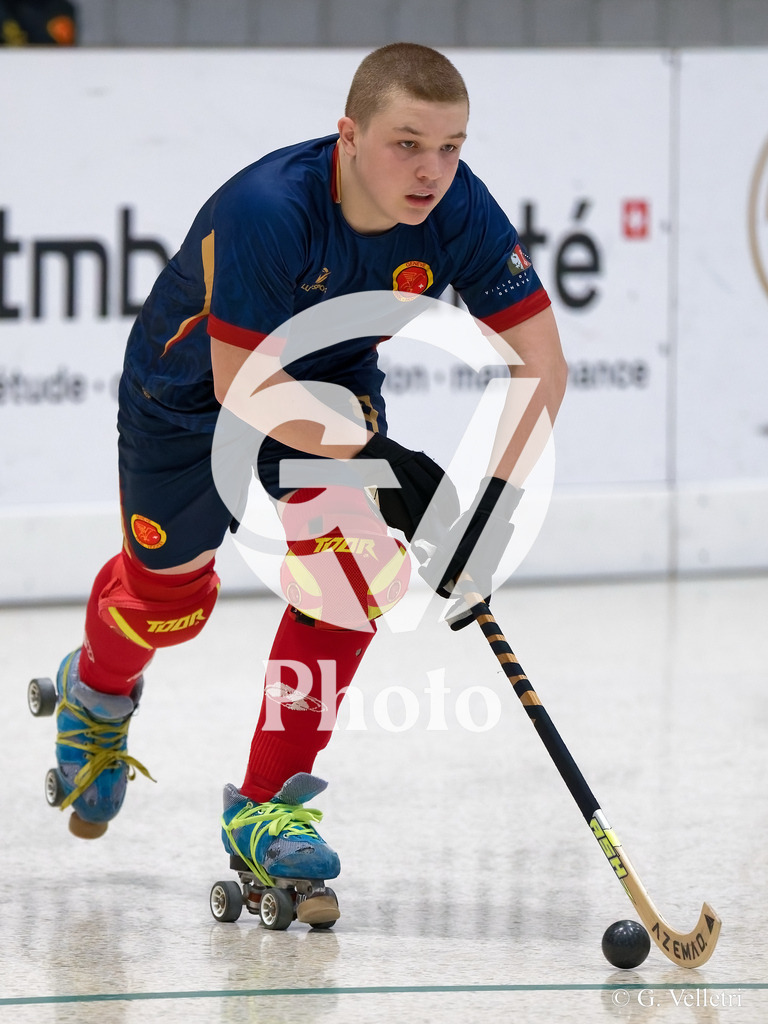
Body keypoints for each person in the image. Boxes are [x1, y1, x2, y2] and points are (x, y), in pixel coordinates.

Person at [39, 43, 567, 925]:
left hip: (325, 382)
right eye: (407, 144)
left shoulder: (459, 208)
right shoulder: (270, 208)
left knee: (357, 570)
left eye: (452, 147)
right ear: (349, 136)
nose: (432, 172)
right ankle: (97, 690)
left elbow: (541, 362)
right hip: (191, 396)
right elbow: (242, 384)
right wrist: (395, 466)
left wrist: (493, 509)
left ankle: (264, 809)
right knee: (169, 605)